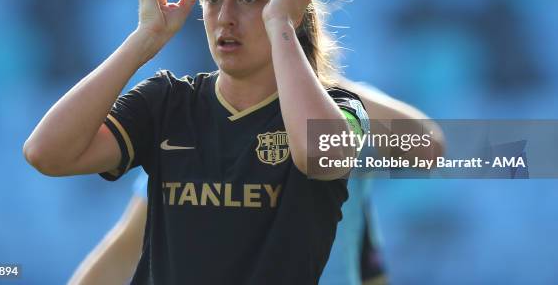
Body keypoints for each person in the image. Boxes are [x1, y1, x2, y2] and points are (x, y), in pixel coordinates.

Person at [25, 0, 440, 284]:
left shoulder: (343, 111)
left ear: (290, 7)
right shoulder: (168, 103)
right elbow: (46, 153)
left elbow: (422, 148)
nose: (225, 18)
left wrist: (283, 31)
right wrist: (143, 40)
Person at [68, 81, 443, 285]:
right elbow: (123, 254)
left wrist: (318, 87)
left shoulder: (343, 117)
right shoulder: (196, 123)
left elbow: (427, 149)